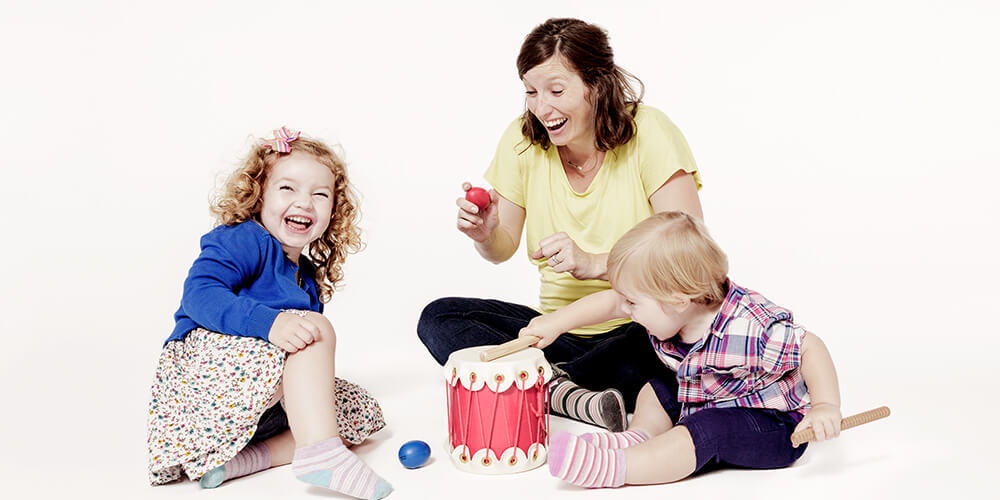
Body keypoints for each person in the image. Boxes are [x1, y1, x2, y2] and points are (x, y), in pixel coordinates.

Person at [418, 17, 704, 431]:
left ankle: (541, 384)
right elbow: (501, 249)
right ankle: (567, 389)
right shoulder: (521, 140)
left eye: (556, 90)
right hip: (555, 332)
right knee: (439, 317)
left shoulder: (650, 132)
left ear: (597, 84)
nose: (541, 108)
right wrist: (486, 234)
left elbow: (690, 253)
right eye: (531, 92)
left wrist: (596, 263)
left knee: (658, 349)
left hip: (639, 325)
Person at [147, 127, 392, 500]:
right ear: (258, 194)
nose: (304, 202)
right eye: (287, 188)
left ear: (334, 210)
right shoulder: (245, 238)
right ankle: (323, 454)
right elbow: (199, 294)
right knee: (314, 329)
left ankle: (245, 460)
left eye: (320, 194)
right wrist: (271, 323)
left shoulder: (305, 276)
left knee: (357, 413)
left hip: (255, 411)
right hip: (208, 391)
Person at [518, 211, 842, 488]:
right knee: (657, 388)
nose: (625, 309)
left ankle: (617, 467)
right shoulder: (677, 309)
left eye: (633, 303)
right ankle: (639, 437)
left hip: (771, 422)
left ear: (678, 301)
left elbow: (809, 346)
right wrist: (556, 322)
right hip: (706, 394)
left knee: (706, 431)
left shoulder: (750, 328)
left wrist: (825, 406)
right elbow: (612, 303)